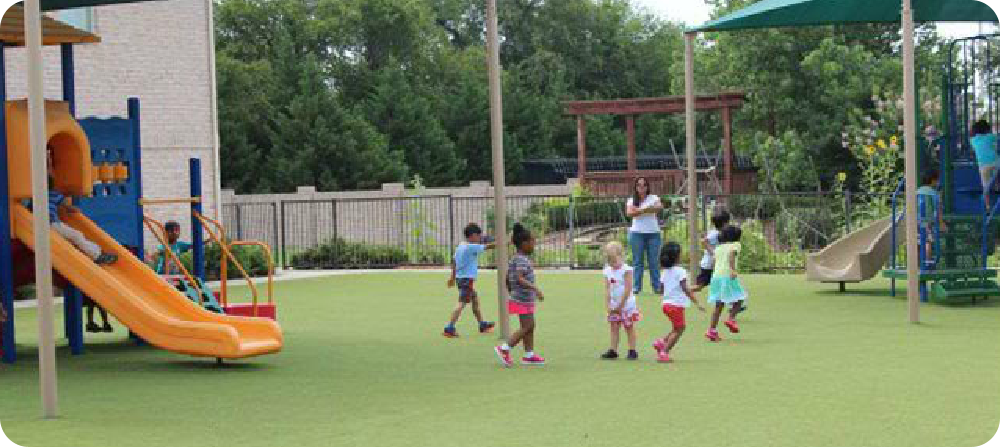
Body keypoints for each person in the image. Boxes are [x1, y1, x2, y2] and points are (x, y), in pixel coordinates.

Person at [32, 147, 118, 266]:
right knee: (76, 236)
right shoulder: (53, 194)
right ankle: (97, 255)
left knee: (76, 236)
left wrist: (48, 158)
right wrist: (74, 209)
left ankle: (97, 253)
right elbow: (67, 206)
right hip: (51, 224)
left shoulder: (36, 195)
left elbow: (47, 172)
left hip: (48, 224)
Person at [494, 223, 546, 367]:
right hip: (522, 299)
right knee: (527, 327)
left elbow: (507, 277)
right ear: (524, 244)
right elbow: (519, 278)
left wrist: (510, 290)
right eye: (532, 242)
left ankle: (529, 355)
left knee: (530, 326)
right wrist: (536, 289)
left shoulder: (516, 258)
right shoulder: (522, 259)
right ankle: (504, 348)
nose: (534, 245)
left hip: (522, 299)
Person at [654, 242, 705, 363]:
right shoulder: (681, 271)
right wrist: (697, 302)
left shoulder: (664, 272)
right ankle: (664, 352)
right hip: (675, 306)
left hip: (666, 305)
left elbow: (661, 290)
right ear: (677, 257)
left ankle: (661, 342)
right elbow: (684, 288)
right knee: (680, 328)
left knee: (676, 327)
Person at [444, 223, 497, 337]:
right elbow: (490, 246)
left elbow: (454, 261)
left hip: (461, 279)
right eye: (478, 236)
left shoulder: (461, 246)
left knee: (475, 300)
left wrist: (452, 277)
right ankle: (449, 328)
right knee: (461, 303)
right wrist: (506, 242)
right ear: (472, 235)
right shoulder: (471, 247)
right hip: (467, 280)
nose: (479, 239)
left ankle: (482, 324)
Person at [705, 225, 748, 342]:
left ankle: (711, 330)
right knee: (740, 298)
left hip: (716, 277)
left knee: (718, 305)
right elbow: (731, 255)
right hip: (727, 276)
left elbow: (714, 259)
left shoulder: (718, 248)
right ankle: (731, 318)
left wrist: (706, 244)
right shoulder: (736, 245)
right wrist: (733, 269)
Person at [600, 242, 640, 360]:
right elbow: (607, 288)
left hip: (627, 305)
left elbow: (628, 289)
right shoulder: (607, 271)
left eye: (614, 261)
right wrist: (608, 304)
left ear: (621, 256)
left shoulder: (626, 270)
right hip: (613, 306)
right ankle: (613, 350)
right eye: (610, 261)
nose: (613, 264)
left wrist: (621, 305)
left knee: (629, 327)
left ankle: (632, 350)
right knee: (614, 327)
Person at [625, 177, 664, 295]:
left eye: (644, 185)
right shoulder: (631, 200)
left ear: (647, 187)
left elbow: (659, 207)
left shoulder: (654, 198)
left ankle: (657, 287)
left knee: (654, 262)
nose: (641, 188)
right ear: (635, 187)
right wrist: (647, 210)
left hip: (653, 233)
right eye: (639, 185)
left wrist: (640, 210)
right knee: (638, 262)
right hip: (637, 234)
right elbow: (630, 213)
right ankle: (637, 288)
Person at [693, 210, 731, 293]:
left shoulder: (720, 233)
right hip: (708, 265)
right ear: (725, 223)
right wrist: (713, 253)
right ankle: (684, 290)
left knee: (721, 283)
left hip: (714, 265)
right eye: (728, 222)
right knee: (699, 286)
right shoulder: (715, 233)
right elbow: (704, 241)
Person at [917, 170, 946, 270]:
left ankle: (918, 264)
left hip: (917, 221)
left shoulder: (918, 191)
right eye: (937, 180)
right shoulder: (934, 193)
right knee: (928, 242)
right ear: (933, 181)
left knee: (918, 242)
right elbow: (938, 209)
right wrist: (941, 223)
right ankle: (927, 263)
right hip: (928, 221)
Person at [970, 120, 999, 207]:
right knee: (997, 172)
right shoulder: (990, 137)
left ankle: (987, 206)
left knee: (985, 187)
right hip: (996, 162)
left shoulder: (973, 140)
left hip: (983, 166)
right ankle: (997, 186)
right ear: (986, 129)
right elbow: (997, 138)